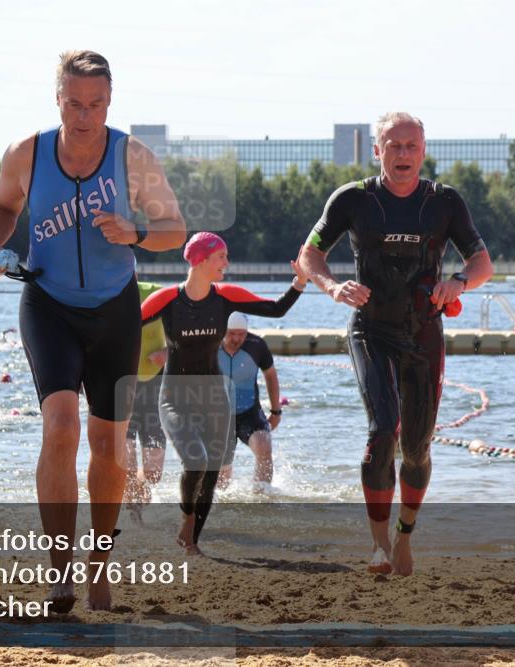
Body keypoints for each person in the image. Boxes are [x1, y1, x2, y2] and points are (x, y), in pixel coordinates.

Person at [0, 50, 186, 611]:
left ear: (109, 101)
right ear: (58, 98)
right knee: (62, 426)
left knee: (107, 446)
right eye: (74, 103)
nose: (84, 115)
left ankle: (99, 563)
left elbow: (175, 230)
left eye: (95, 104)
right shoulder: (28, 152)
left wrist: (136, 231)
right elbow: (0, 206)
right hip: (48, 304)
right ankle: (60, 571)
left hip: (115, 310)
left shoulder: (132, 157)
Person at [298, 111, 494, 576]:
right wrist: (332, 287)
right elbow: (310, 254)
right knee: (383, 430)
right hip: (371, 328)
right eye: (393, 145)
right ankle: (379, 545)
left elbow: (482, 262)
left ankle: (405, 536)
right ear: (377, 150)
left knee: (418, 446)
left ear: (423, 151)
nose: (402, 155)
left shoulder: (444, 202)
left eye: (411, 146)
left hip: (423, 334)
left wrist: (460, 283)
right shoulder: (353, 199)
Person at [142, 232, 309, 556]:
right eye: (222, 257)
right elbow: (127, 326)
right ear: (201, 260)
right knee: (196, 461)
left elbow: (274, 309)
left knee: (213, 469)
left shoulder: (226, 297)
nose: (227, 263)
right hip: (174, 397)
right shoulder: (167, 299)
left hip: (214, 399)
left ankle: (191, 540)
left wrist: (299, 282)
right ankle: (187, 518)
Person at [216, 312, 282, 490]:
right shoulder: (210, 344)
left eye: (241, 334)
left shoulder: (256, 345)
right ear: (222, 330)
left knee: (263, 444)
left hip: (249, 412)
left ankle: (261, 497)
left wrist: (276, 411)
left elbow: (270, 375)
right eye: (231, 333)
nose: (236, 339)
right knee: (222, 473)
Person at [124, 280, 168, 512]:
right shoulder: (105, 294)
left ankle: (138, 492)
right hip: (122, 391)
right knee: (127, 465)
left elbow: (185, 334)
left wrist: (168, 352)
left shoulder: (158, 293)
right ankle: (132, 518)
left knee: (153, 474)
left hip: (155, 390)